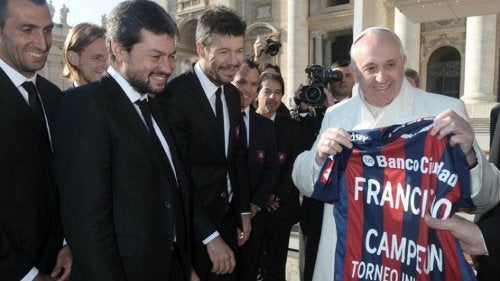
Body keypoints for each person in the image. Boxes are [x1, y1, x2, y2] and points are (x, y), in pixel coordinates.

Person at [292, 26, 500, 281]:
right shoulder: (337, 115)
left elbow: (488, 198)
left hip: (413, 264)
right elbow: (306, 183)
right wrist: (319, 158)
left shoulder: (445, 112)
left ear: (403, 63)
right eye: (370, 68)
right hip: (346, 262)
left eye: (390, 65)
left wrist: (469, 154)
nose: (382, 77)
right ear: (355, 73)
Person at [53, 1, 193, 280]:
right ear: (118, 50)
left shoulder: (153, 104)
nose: (167, 68)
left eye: (172, 56)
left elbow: (170, 192)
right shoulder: (85, 105)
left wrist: (184, 266)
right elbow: (87, 223)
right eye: (155, 56)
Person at [159, 6, 250, 281]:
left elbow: (236, 157)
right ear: (201, 48)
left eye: (239, 51)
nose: (234, 61)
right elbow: (178, 177)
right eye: (224, 52)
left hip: (230, 222)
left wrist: (243, 209)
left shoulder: (233, 95)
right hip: (194, 232)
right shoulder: (174, 97)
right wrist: (209, 236)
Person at [0, 0, 72, 280]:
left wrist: (68, 242)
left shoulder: (53, 96)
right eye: (27, 29)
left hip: (60, 263)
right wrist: (26, 274)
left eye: (47, 30)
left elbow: (63, 181)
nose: (42, 42)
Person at [293, 60, 355, 281]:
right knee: (310, 262)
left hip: (348, 203)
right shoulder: (313, 108)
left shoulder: (358, 112)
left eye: (348, 75)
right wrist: (302, 108)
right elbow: (300, 149)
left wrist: (333, 110)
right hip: (315, 204)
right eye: (338, 76)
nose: (343, 80)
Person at [232, 59, 280, 281]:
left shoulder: (265, 126)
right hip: (220, 217)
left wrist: (255, 205)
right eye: (241, 82)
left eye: (253, 84)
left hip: (255, 217)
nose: (247, 89)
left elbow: (271, 169)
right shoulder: (214, 120)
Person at [256, 72, 302, 281]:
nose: (272, 97)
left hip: (280, 209)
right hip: (251, 211)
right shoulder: (243, 122)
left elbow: (294, 164)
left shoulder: (291, 127)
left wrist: (274, 195)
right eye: (267, 91)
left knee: (276, 267)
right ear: (258, 93)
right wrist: (260, 196)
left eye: (277, 92)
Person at [62, 22, 108, 89]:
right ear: (73, 58)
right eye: (97, 58)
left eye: (111, 59)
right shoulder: (65, 99)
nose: (108, 66)